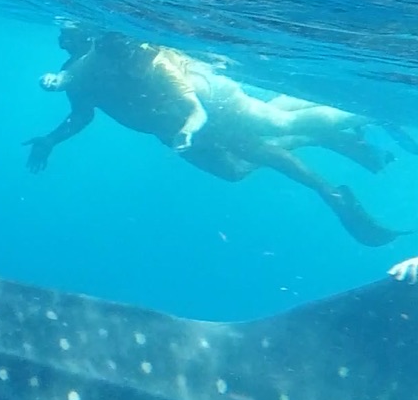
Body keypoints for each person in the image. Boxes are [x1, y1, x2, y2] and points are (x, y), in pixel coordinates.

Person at [26, 24, 402, 246]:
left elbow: (194, 109)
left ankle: (370, 112)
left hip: (207, 117)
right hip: (174, 133)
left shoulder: (149, 61)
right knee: (236, 170)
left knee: (273, 135)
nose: (62, 40)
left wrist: (190, 129)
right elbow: (81, 115)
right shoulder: (82, 71)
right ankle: (323, 136)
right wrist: (50, 139)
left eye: (68, 36)